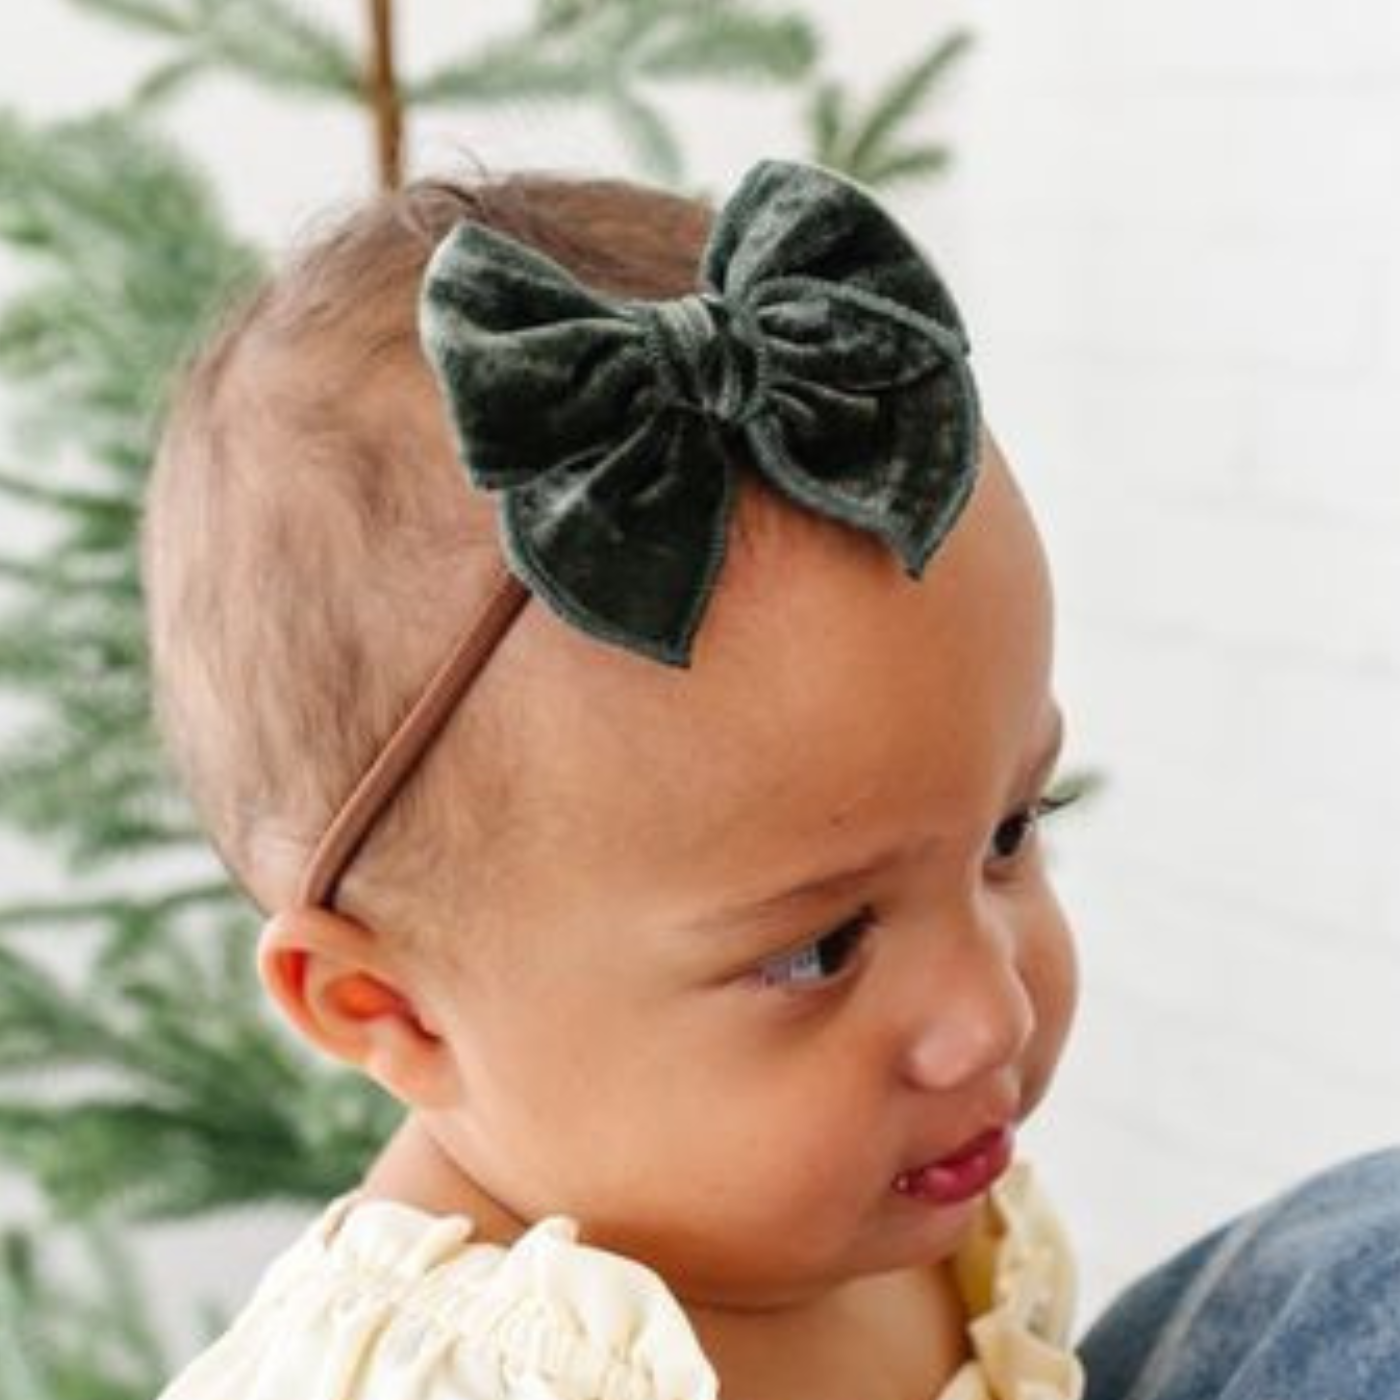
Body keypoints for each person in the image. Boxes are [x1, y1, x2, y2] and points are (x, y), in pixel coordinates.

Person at [141, 157, 1399, 1400]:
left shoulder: (892, 1213)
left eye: (1009, 832)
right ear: (391, 1008)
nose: (991, 1015)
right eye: (819, 948)